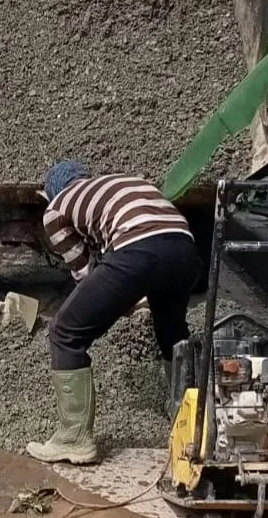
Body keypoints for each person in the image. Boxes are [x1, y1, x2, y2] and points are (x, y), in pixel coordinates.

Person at [26, 160, 200, 466]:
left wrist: (117, 305)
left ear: (49, 193)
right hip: (185, 248)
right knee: (171, 330)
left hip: (138, 247)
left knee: (65, 332)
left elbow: (85, 275)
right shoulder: (119, 183)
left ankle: (74, 439)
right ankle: (187, 416)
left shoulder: (55, 209)